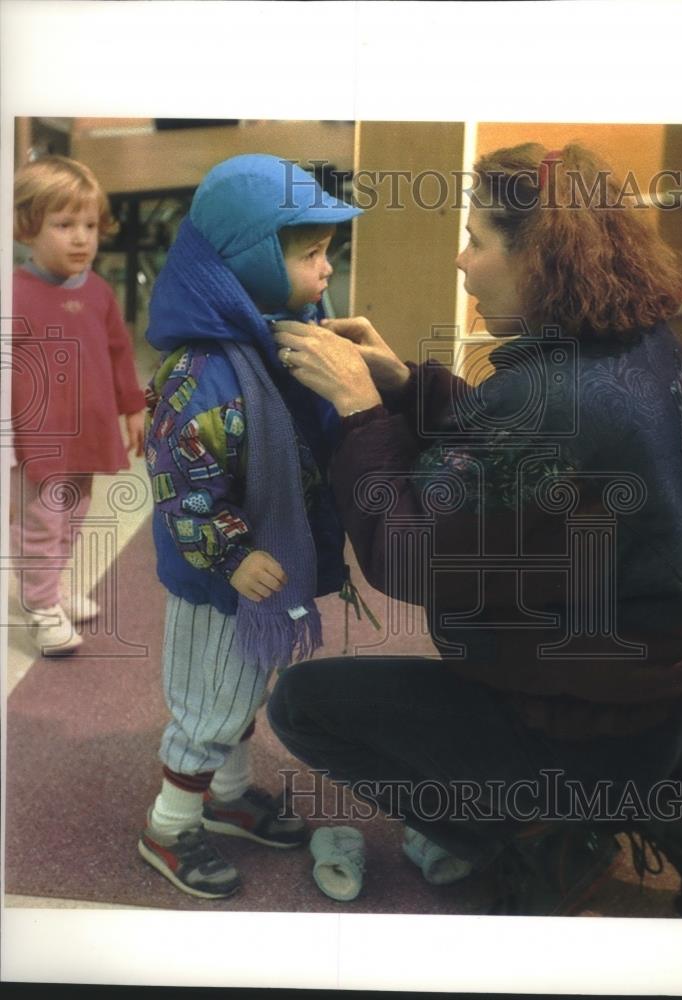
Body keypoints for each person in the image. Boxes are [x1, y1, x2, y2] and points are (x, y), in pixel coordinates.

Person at [266, 143, 682, 916]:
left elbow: (410, 553)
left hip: (581, 726)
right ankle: (662, 792)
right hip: (663, 703)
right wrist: (406, 387)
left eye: (478, 241)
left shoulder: (557, 400)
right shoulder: (637, 345)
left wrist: (361, 414)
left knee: (302, 705)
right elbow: (515, 467)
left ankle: (549, 840)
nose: (462, 262)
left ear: (540, 259)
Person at [139, 154, 363, 899]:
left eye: (328, 251)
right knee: (208, 704)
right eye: (308, 253)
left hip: (262, 566)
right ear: (248, 265)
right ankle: (170, 826)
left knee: (244, 691)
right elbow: (181, 484)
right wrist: (231, 555)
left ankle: (229, 796)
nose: (326, 269)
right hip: (219, 579)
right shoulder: (204, 373)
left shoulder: (287, 338)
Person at [11, 155, 146, 657]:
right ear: (28, 227)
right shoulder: (14, 294)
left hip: (87, 432)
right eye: (64, 224)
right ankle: (41, 606)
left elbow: (118, 353)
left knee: (73, 516)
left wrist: (133, 407)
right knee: (42, 522)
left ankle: (54, 587)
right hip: (37, 438)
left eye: (89, 225)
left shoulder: (99, 292)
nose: (81, 238)